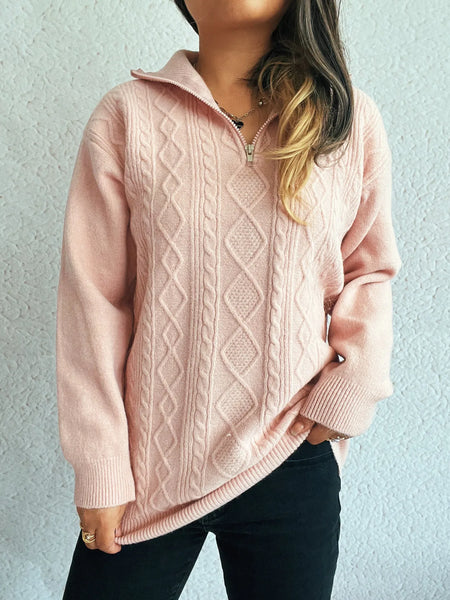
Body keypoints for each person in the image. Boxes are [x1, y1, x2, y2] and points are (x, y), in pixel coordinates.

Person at [56, 1, 402, 598]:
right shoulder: (126, 117)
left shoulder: (346, 119)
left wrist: (351, 390)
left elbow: (369, 271)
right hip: (147, 471)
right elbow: (93, 303)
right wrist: (100, 466)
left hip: (289, 451)